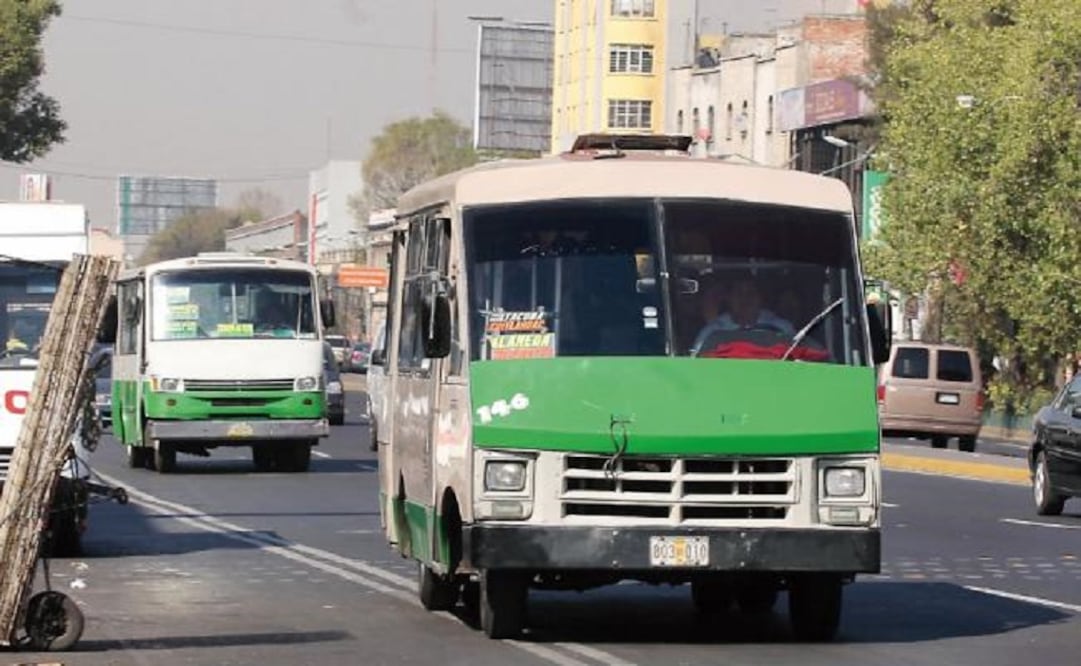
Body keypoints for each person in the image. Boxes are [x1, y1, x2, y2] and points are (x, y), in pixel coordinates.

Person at [691, 277, 794, 355]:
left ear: (760, 298)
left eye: (751, 293)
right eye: (739, 293)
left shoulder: (782, 328)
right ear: (729, 298)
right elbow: (698, 365)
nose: (745, 298)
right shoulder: (711, 331)